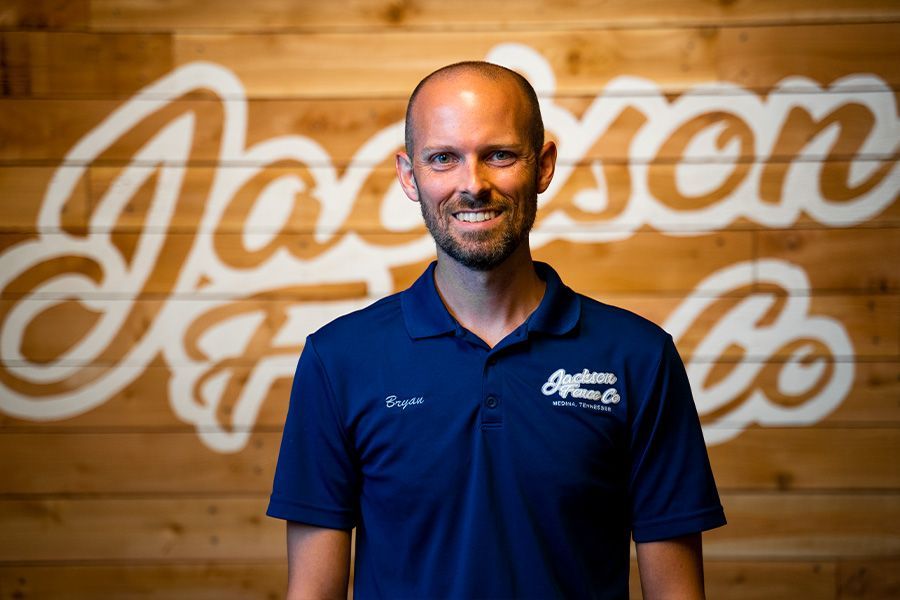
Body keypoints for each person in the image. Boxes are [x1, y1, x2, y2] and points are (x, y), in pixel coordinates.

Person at [267, 61, 726, 599]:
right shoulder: (337, 360)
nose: (473, 185)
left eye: (499, 155)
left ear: (544, 166)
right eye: (443, 158)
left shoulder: (639, 358)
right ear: (409, 175)